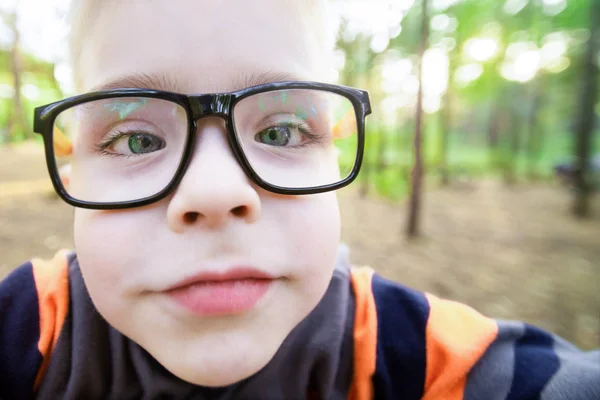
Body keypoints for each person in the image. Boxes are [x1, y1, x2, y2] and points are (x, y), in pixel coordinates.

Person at [1, 0, 598, 399]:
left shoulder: (414, 355)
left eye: (280, 132)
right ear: (73, 171)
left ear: (332, 148)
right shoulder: (26, 332)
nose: (215, 191)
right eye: (135, 139)